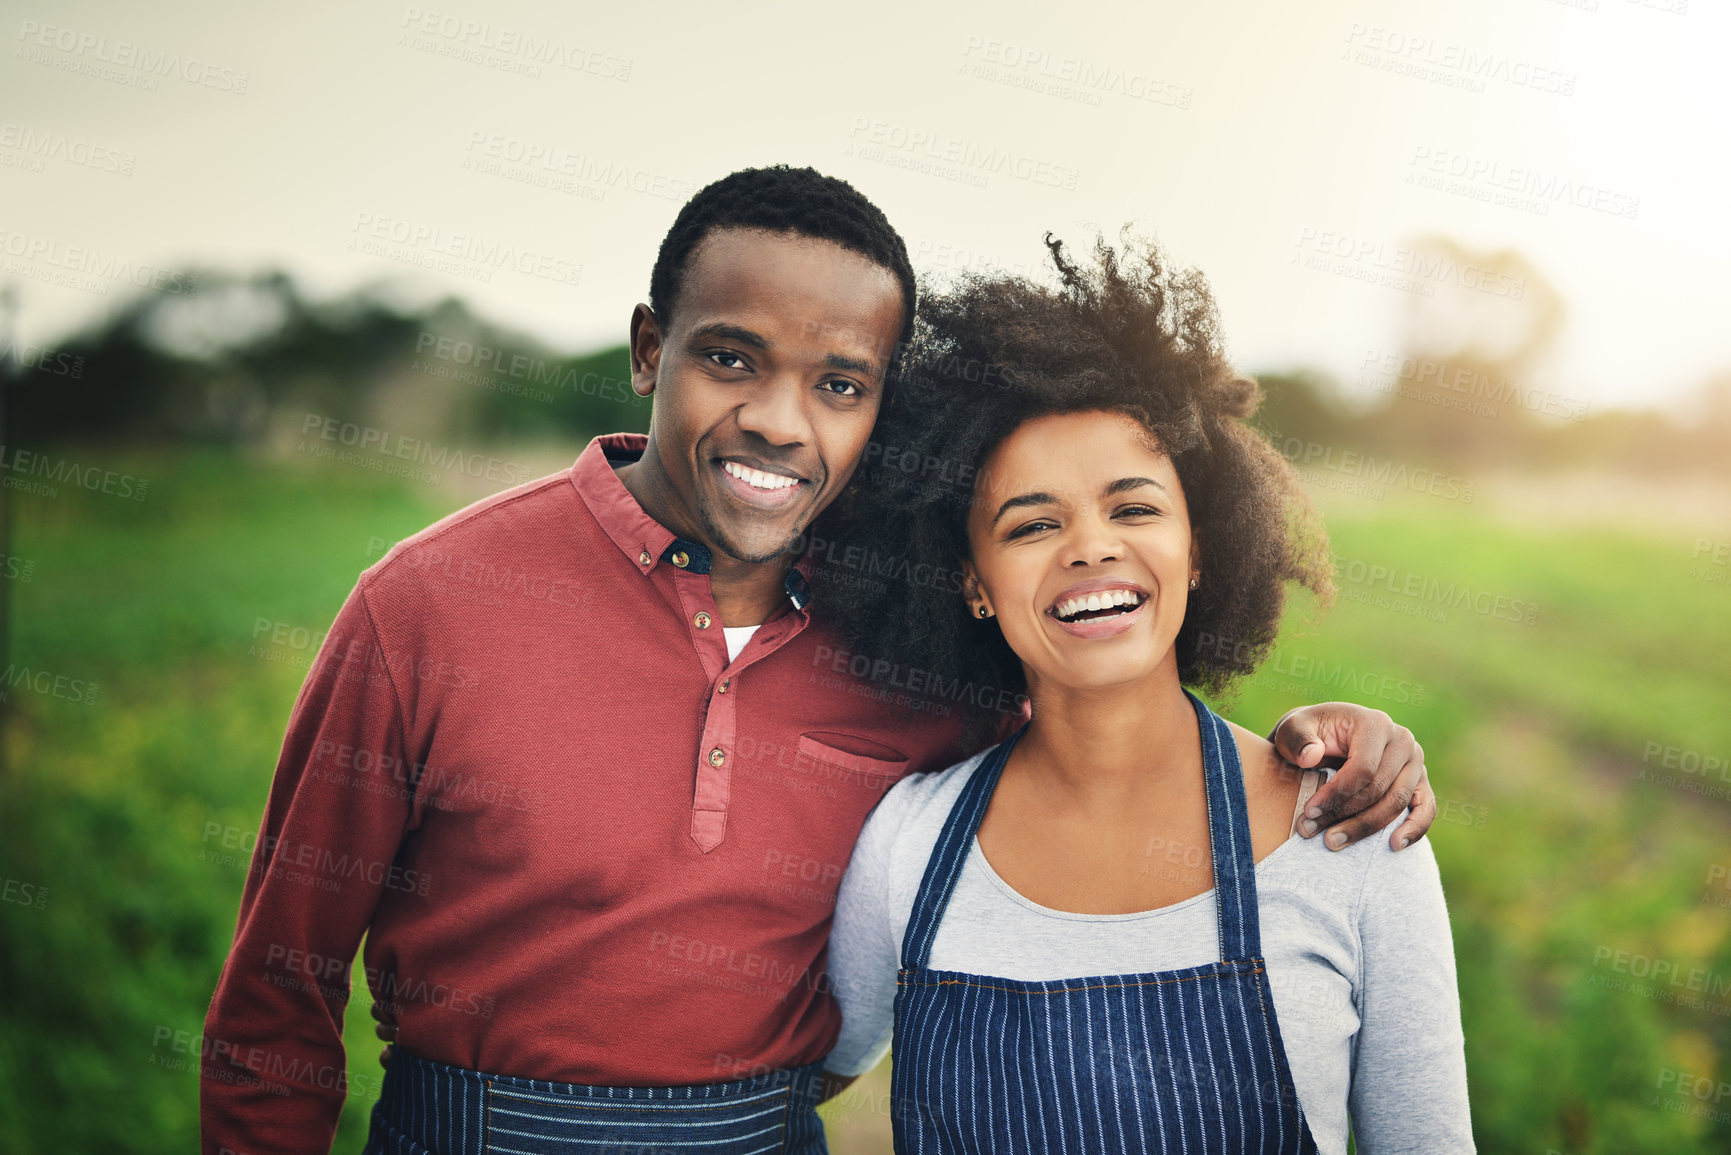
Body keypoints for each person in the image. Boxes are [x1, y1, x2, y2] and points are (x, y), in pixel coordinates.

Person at [199, 167, 1438, 1155]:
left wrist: (1338, 734)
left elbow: (1106, 682)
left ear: (880, 409)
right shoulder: (430, 604)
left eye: (841, 384)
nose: (781, 422)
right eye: (731, 358)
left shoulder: (907, 646)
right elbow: (273, 1010)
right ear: (650, 348)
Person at [821, 235, 1473, 1153]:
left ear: (1199, 549)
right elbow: (798, 1082)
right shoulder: (909, 843)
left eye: (1133, 508)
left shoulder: (1351, 830)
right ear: (968, 581)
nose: (1089, 546)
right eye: (1032, 522)